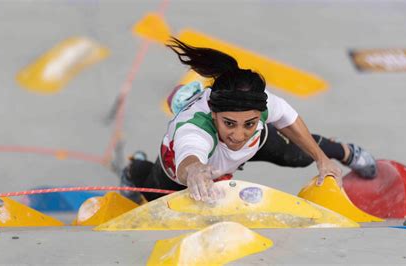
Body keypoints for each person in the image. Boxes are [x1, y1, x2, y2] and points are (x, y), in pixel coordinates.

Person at [121, 37, 377, 204]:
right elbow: (189, 153)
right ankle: (134, 168)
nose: (239, 135)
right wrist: (194, 170)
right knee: (150, 193)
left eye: (250, 123)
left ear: (259, 115)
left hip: (235, 153)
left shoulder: (258, 103)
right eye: (229, 123)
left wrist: (323, 160)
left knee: (297, 154)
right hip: (179, 170)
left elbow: (289, 119)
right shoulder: (194, 128)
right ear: (213, 114)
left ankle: (347, 152)